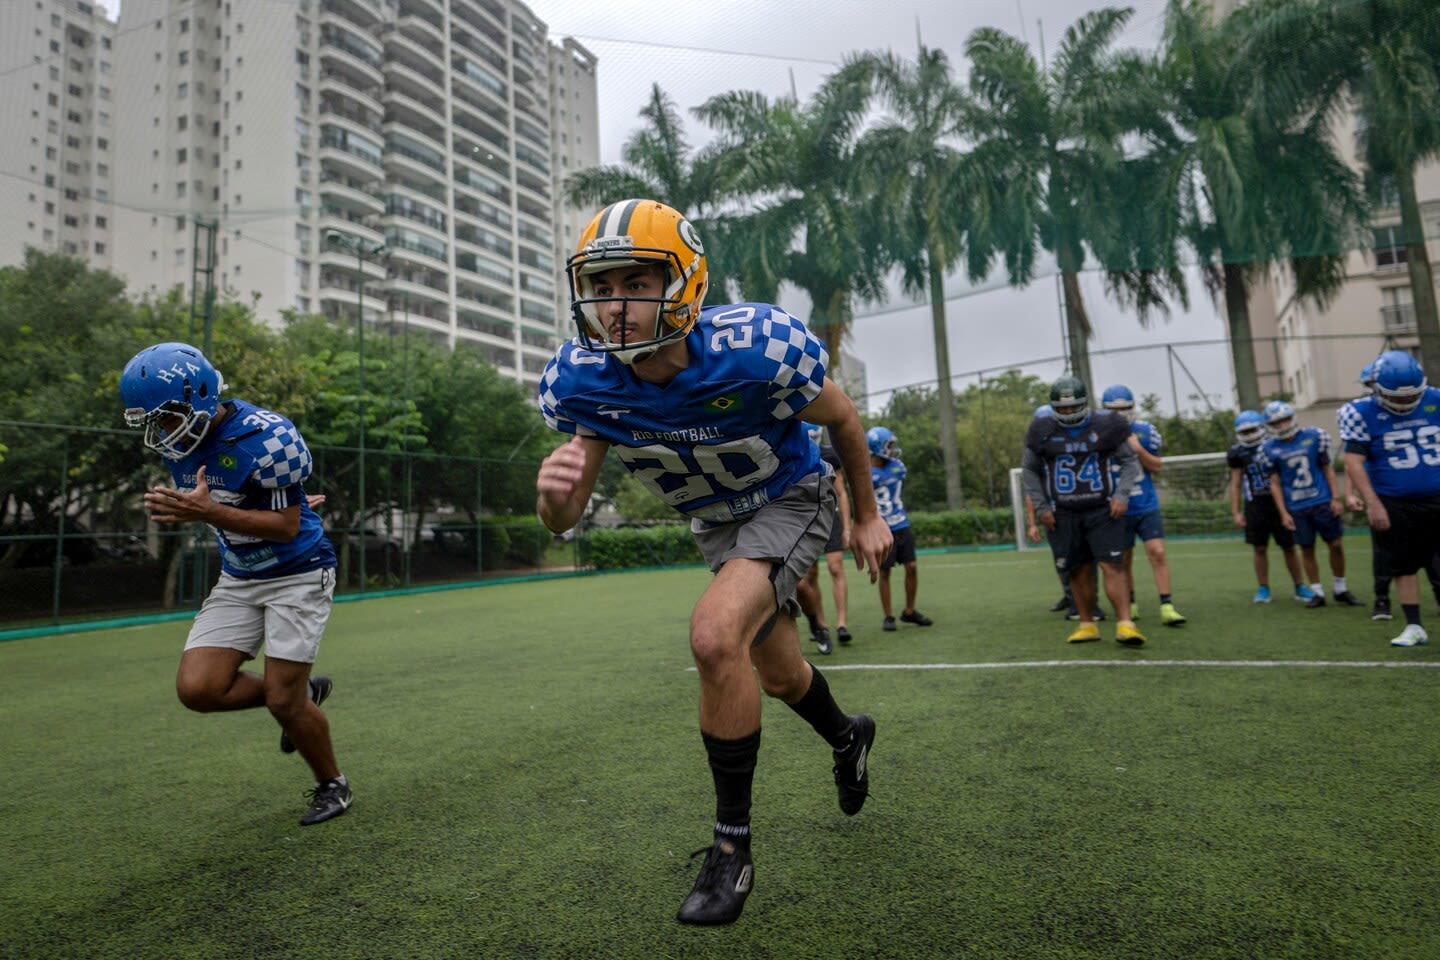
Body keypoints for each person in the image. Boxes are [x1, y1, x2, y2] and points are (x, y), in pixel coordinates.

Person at [534, 199, 892, 925]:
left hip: (790, 497)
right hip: (717, 526)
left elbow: (845, 418)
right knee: (783, 673)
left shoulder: (758, 348)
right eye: (600, 288)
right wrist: (553, 499)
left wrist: (868, 513)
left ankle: (731, 847)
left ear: (684, 283)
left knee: (712, 635)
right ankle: (847, 734)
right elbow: (565, 514)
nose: (614, 306)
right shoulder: (584, 380)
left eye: (633, 283)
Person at [119, 342, 350, 826]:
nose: (162, 431)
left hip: (297, 570)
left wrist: (208, 511)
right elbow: (232, 498)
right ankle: (301, 695)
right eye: (153, 421)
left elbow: (286, 526)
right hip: (241, 574)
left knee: (282, 701)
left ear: (199, 395)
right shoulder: (182, 442)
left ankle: (332, 783)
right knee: (198, 689)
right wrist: (200, 510)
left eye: (168, 416)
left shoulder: (267, 436)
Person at [1021, 376, 1146, 645]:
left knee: (1112, 565)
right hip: (1064, 511)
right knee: (1076, 569)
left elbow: (1129, 461)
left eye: (1073, 406)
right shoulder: (1042, 429)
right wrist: (1041, 506)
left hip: (1101, 508)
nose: (1068, 412)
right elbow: (1029, 470)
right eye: (1062, 408)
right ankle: (1087, 624)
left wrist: (1121, 495)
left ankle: (1126, 623)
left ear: (1085, 403)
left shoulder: (1106, 425)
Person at [1338, 350, 1440, 646]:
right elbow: (1354, 462)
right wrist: (1373, 502)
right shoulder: (1359, 412)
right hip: (1396, 500)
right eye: (1398, 397)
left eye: (1412, 397)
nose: (1406, 403)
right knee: (1404, 565)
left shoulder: (1436, 399)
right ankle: (1414, 626)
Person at [1261, 400, 1364, 608]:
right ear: (1269, 426)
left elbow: (1327, 469)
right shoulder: (1268, 448)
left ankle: (1340, 588)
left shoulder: (1314, 436)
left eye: (1284, 419)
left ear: (1292, 417)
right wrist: (1283, 513)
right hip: (1297, 506)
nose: (1281, 425)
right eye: (1276, 423)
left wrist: (1335, 498)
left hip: (1322, 500)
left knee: (1335, 544)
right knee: (1306, 549)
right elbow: (1274, 483)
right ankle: (1317, 592)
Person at [1100, 385, 1186, 626]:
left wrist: (1137, 449)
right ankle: (1131, 602)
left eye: (1125, 408)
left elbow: (1157, 467)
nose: (1120, 413)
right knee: (1123, 559)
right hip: (1118, 506)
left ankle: (1167, 605)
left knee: (1157, 552)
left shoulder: (1145, 431)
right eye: (1114, 409)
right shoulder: (1097, 434)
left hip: (1145, 503)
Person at [1025, 404, 1105, 621]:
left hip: (1078, 508)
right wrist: (1034, 520)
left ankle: (1090, 604)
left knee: (1088, 560)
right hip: (1053, 513)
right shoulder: (1037, 451)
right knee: (1063, 560)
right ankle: (1071, 599)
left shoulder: (1072, 443)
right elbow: (1031, 489)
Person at [1227, 410, 1313, 604]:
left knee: (1289, 546)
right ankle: (1263, 587)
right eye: (1245, 431)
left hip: (1280, 502)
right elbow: (1236, 483)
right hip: (1255, 503)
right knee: (1259, 548)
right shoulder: (1237, 452)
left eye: (1252, 430)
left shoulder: (1274, 445)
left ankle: (1300, 586)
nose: (1249, 435)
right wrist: (1236, 511)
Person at [868, 426, 934, 631]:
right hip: (882, 528)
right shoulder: (866, 472)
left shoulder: (898, 466)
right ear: (877, 447)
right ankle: (888, 616)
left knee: (912, 567)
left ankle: (909, 611)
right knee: (885, 571)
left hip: (901, 523)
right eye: (889, 445)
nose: (892, 448)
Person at [795, 423, 852, 655]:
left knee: (835, 567)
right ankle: (821, 624)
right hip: (806, 520)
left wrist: (847, 527)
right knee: (810, 576)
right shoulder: (794, 452)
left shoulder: (829, 454)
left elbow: (842, 493)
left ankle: (841, 623)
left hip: (832, 518)